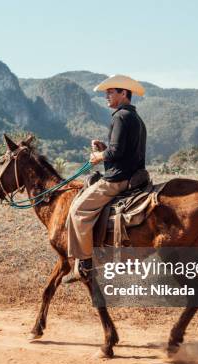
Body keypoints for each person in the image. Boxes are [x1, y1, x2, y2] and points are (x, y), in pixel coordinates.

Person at [67, 74, 148, 280]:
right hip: (132, 175)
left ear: (124, 93)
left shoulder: (120, 117)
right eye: (107, 93)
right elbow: (123, 151)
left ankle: (85, 262)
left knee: (78, 210)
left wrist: (98, 156)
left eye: (111, 92)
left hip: (117, 179)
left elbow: (116, 153)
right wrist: (105, 149)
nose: (107, 96)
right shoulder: (136, 118)